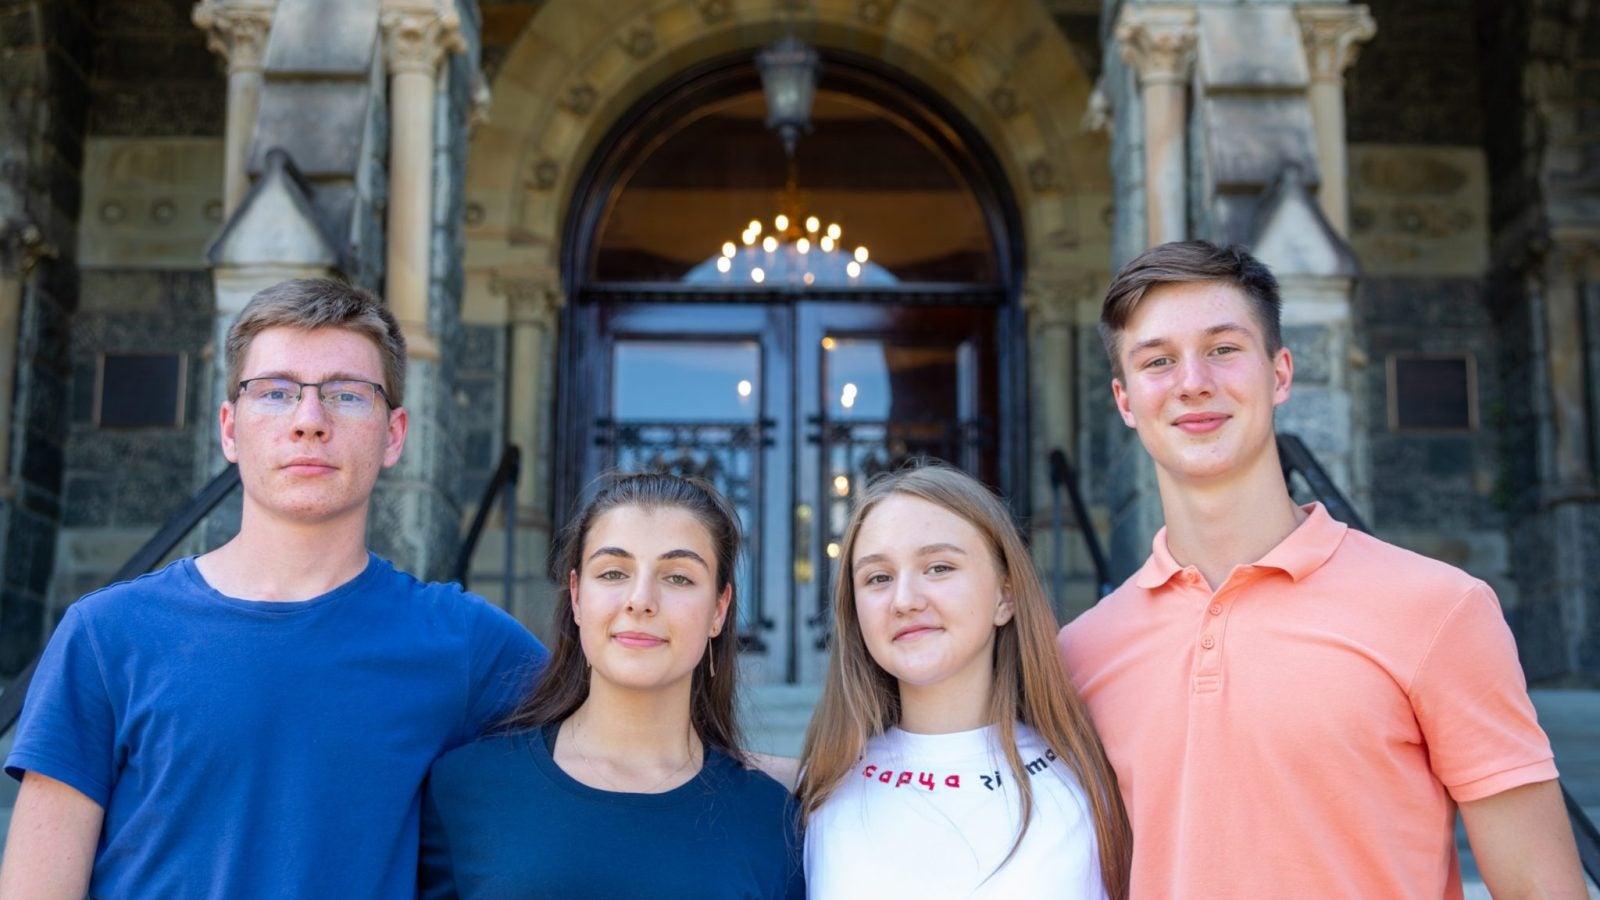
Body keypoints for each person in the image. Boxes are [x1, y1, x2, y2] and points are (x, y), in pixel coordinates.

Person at [1059, 240, 1587, 898]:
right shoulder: (1079, 654)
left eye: (1224, 349)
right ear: (1126, 400)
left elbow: (1542, 888)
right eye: (1158, 361)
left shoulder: (1437, 609)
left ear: (1280, 374)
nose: (1192, 380)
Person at [0, 279, 546, 899]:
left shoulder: (463, 643)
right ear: (230, 429)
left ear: (393, 434)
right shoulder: (107, 634)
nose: (309, 421)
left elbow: (619, 749)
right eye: (277, 392)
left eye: (346, 394)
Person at [419, 472, 804, 899]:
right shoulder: (465, 787)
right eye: (613, 572)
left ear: (719, 608)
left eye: (678, 577)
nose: (640, 600)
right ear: (577, 595)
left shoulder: (772, 819)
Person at [799, 463, 1132, 899]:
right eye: (878, 578)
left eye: (938, 568)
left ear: (1005, 595)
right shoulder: (821, 790)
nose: (904, 600)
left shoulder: (1090, 782)